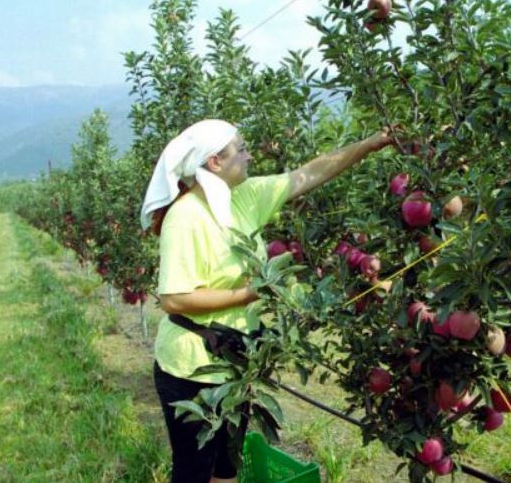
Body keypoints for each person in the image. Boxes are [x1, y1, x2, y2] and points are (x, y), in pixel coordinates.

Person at [140, 119, 393, 483]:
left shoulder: (243, 197)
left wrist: (370, 143)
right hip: (191, 367)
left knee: (228, 466)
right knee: (194, 472)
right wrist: (247, 293)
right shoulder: (186, 216)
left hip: (237, 361)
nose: (249, 154)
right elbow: (174, 299)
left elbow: (306, 175)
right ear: (215, 163)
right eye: (240, 149)